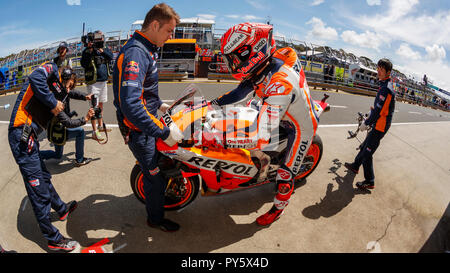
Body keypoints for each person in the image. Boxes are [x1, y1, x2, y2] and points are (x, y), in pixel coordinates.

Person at [209, 22, 319, 226]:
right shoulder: (266, 63)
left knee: (285, 175)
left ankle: (278, 208)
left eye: (235, 57)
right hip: (280, 107)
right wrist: (211, 105)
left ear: (253, 51)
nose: (232, 63)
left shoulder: (279, 84)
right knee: (241, 115)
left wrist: (219, 139)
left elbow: (260, 137)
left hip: (299, 126)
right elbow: (240, 92)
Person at [113, 3, 183, 232]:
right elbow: (131, 104)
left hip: (146, 124)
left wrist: (158, 105)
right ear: (155, 25)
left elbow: (142, 91)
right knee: (155, 179)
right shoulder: (137, 52)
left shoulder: (145, 48)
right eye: (169, 31)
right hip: (141, 131)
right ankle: (155, 219)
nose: (171, 36)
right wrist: (163, 131)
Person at [8, 62, 79, 252]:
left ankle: (61, 209)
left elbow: (61, 115)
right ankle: (53, 239)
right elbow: (34, 77)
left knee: (44, 178)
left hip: (29, 136)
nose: (68, 88)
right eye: (69, 83)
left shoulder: (53, 90)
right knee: (38, 190)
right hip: (19, 133)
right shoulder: (50, 69)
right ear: (65, 74)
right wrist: (53, 102)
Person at [345, 58, 395, 190]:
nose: (378, 71)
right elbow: (380, 108)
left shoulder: (387, 89)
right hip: (378, 122)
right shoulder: (384, 84)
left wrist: (366, 123)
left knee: (368, 153)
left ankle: (370, 180)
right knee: (364, 145)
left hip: (380, 126)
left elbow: (379, 111)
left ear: (388, 72)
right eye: (378, 68)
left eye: (382, 69)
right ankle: (355, 166)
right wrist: (370, 113)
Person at [40, 66, 95, 166]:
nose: (69, 89)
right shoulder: (56, 99)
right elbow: (68, 123)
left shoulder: (60, 90)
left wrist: (85, 96)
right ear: (64, 80)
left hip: (55, 127)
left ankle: (35, 155)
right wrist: (85, 118)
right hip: (57, 128)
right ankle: (80, 159)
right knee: (80, 132)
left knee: (58, 155)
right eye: (69, 85)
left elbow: (71, 93)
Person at [81, 30, 113, 141]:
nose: (100, 39)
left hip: (103, 82)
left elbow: (110, 56)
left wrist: (101, 50)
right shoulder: (87, 50)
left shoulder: (103, 48)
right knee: (93, 107)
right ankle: (95, 132)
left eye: (101, 37)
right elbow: (83, 64)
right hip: (93, 83)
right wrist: (90, 50)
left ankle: (100, 126)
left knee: (100, 105)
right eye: (98, 37)